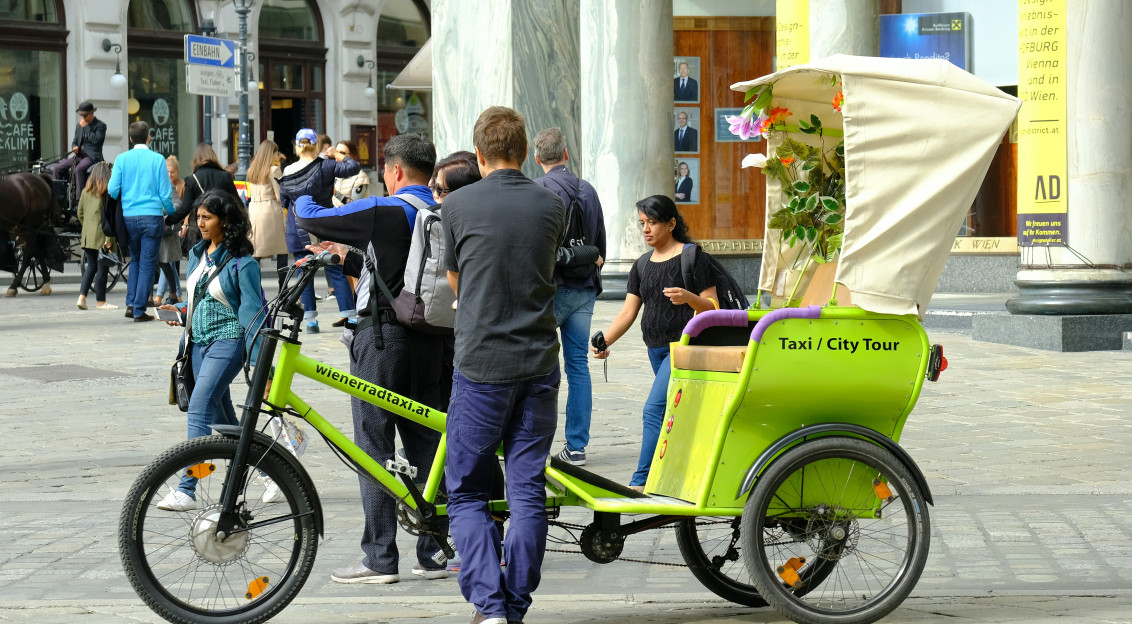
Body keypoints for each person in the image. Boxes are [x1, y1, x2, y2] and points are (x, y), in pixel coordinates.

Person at [295, 133, 451, 585]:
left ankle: (380, 557)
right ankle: (435, 549)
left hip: (381, 339)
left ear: (395, 171)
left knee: (374, 443)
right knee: (424, 440)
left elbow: (313, 217)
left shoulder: (389, 208)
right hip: (430, 337)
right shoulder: (437, 211)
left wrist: (307, 180)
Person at [442, 106, 565, 624]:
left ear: (479, 154)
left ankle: (489, 607)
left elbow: (455, 281)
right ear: (523, 153)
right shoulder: (551, 203)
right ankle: (514, 606)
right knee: (526, 488)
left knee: (467, 490)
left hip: (481, 364)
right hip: (539, 361)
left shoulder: (458, 204)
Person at [592, 195, 718, 491]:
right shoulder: (642, 265)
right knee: (675, 412)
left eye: (652, 223)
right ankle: (681, 475)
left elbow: (715, 307)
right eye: (642, 224)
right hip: (656, 350)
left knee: (653, 409)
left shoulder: (693, 256)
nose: (646, 229)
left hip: (685, 348)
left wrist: (690, 299)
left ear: (671, 224)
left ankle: (640, 482)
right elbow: (628, 311)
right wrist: (605, 340)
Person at [154, 189, 265, 511]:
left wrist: (261, 365)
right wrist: (179, 309)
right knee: (223, 418)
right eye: (197, 217)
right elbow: (201, 300)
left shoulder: (243, 264)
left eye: (207, 217)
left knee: (200, 407)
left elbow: (251, 314)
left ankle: (187, 488)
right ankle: (266, 471)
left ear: (225, 220)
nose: (199, 224)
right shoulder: (198, 255)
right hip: (198, 343)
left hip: (228, 342)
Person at [532, 127, 606, 467]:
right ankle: (576, 447)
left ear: (537, 158)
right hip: (585, 288)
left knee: (537, 366)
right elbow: (600, 248)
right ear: (566, 154)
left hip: (553, 288)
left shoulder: (538, 190)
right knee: (578, 367)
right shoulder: (588, 189)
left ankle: (531, 443)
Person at [279, 128, 360, 331]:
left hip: (297, 226)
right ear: (316, 145)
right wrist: (336, 154)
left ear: (297, 147)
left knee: (304, 273)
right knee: (337, 268)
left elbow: (284, 202)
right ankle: (350, 316)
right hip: (324, 223)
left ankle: (311, 321)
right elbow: (353, 167)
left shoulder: (288, 171)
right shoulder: (325, 165)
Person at [109, 120, 174, 322]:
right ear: (149, 137)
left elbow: (112, 190)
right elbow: (165, 193)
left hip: (129, 218)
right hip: (152, 217)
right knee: (147, 264)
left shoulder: (121, 159)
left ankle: (131, 303)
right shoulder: (157, 159)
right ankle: (138, 309)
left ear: (130, 139)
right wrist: (171, 215)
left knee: (135, 260)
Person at [164, 143, 241, 253]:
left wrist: (167, 221)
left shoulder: (192, 179)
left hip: (200, 229)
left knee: (200, 261)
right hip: (222, 227)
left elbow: (185, 208)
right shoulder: (226, 176)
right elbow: (237, 203)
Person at [246, 140, 289, 290]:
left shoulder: (252, 170)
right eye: (275, 152)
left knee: (256, 252)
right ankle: (283, 288)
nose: (277, 156)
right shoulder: (274, 170)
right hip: (270, 210)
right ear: (270, 153)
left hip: (254, 210)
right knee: (281, 250)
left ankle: (253, 287)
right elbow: (280, 195)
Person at [75, 162, 118, 311]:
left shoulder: (86, 191)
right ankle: (101, 301)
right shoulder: (106, 192)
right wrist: (109, 240)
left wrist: (87, 227)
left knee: (91, 267)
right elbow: (109, 218)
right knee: (102, 268)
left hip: (87, 235)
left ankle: (82, 297)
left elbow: (79, 213)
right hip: (102, 235)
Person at [48, 101, 107, 196]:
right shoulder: (79, 126)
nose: (82, 118)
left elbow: (96, 140)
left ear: (91, 113)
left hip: (91, 156)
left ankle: (80, 199)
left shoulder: (100, 126)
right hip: (79, 155)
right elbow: (75, 141)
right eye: (81, 115)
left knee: (78, 169)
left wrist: (87, 127)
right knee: (58, 168)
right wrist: (74, 147)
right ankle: (58, 196)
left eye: (85, 115)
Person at [153, 155, 185, 306]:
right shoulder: (155, 183)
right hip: (159, 228)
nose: (169, 174)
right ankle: (174, 295)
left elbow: (179, 205)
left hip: (168, 229)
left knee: (166, 263)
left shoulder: (173, 185)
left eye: (171, 171)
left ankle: (166, 294)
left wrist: (161, 210)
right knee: (163, 263)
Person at [332, 140, 370, 206]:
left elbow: (355, 205)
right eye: (336, 153)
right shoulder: (334, 173)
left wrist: (336, 193)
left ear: (353, 156)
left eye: (342, 153)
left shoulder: (360, 177)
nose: (338, 157)